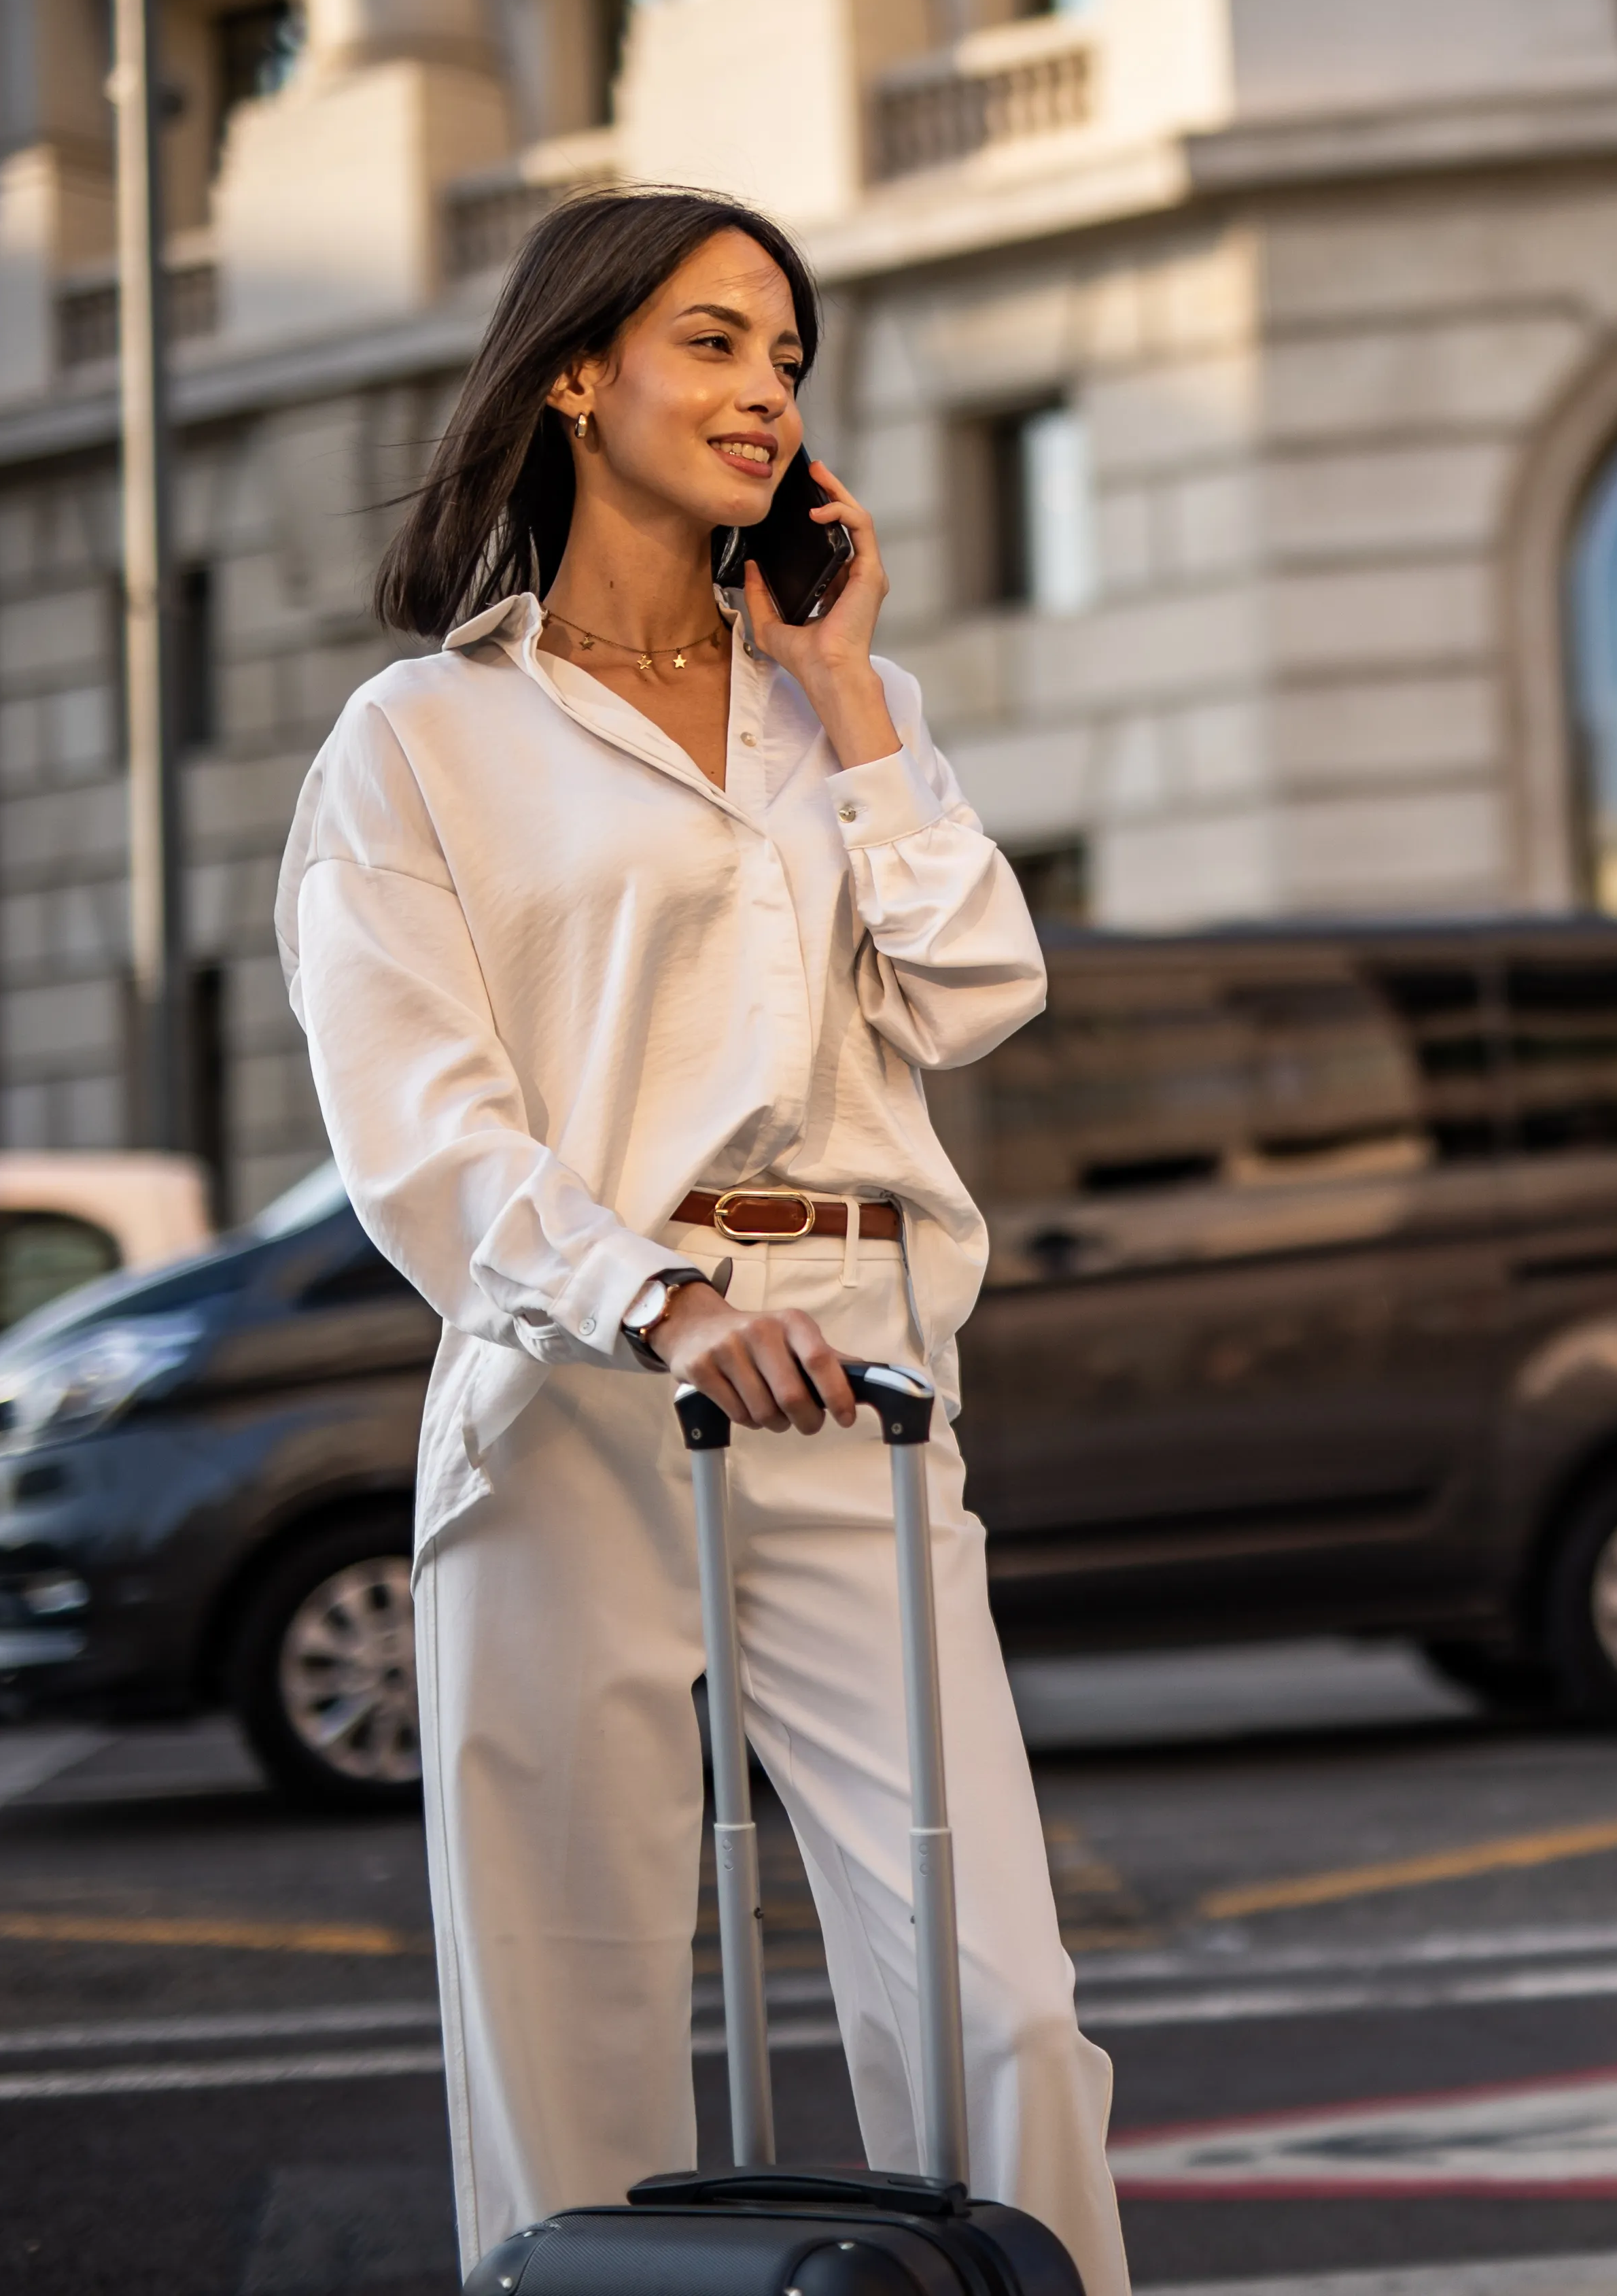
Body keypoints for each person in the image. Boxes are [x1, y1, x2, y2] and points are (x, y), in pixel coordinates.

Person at [274, 187, 1130, 2291]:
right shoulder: (423, 740)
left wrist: (848, 694)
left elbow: (977, 993)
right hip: (573, 1392)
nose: (768, 394)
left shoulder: (841, 699)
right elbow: (416, 1119)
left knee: (1002, 2011)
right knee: (567, 2032)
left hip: (854, 1382)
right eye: (719, 342)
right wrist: (650, 1295)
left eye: (790, 361)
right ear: (578, 374)